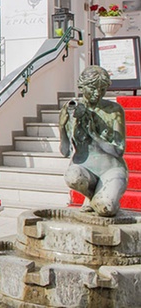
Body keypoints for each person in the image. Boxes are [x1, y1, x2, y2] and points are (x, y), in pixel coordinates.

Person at [58, 66, 127, 217]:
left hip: (111, 169)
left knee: (106, 209)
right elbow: (65, 151)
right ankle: (92, 196)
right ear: (81, 86)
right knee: (72, 176)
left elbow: (118, 151)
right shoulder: (73, 109)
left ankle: (100, 197)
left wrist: (94, 134)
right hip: (85, 170)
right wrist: (62, 127)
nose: (98, 93)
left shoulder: (114, 110)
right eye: (93, 88)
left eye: (102, 89)